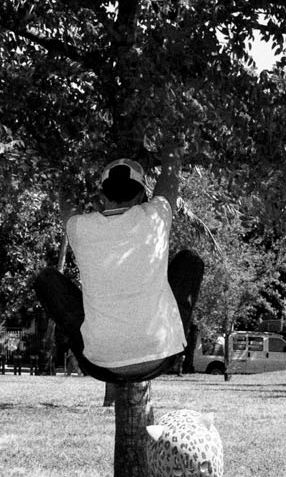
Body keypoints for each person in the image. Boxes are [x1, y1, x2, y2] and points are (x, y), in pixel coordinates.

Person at [33, 155, 203, 385]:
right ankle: (173, 331)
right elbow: (169, 174)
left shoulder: (81, 228)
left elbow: (67, 199)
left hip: (100, 363)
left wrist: (64, 160)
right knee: (190, 261)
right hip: (162, 354)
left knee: (46, 279)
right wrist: (173, 143)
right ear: (143, 195)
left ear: (102, 196)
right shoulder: (155, 217)